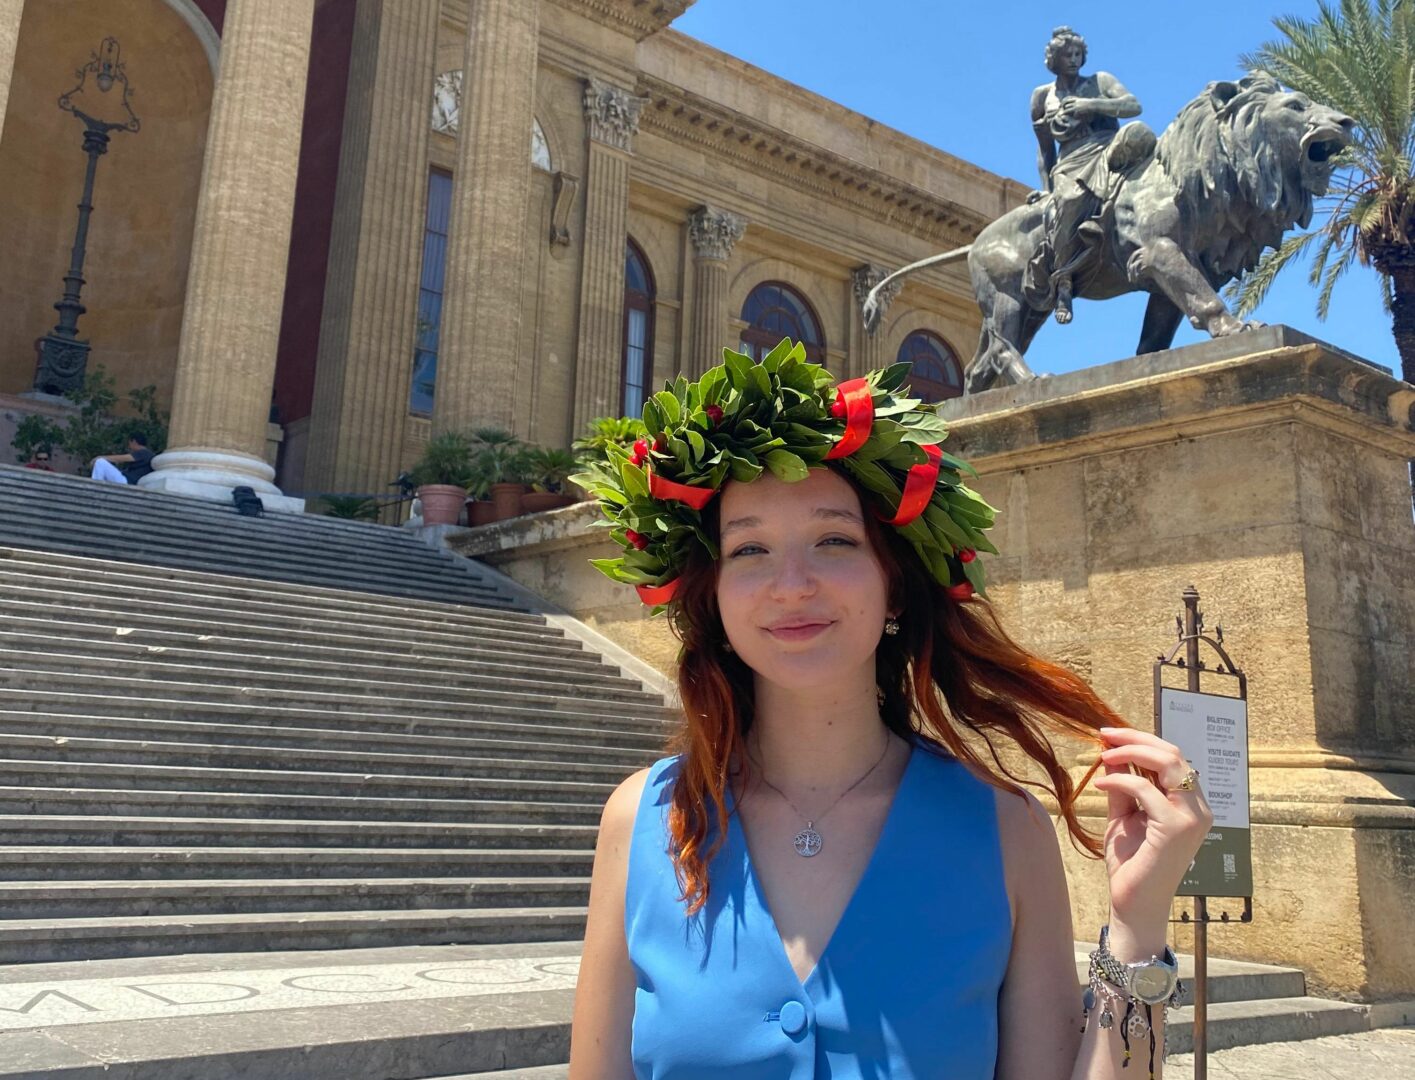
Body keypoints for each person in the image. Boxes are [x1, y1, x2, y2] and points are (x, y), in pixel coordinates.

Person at [568, 343, 1211, 1079]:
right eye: (748, 551)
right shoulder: (642, 819)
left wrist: (1136, 926)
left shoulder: (1007, 829)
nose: (791, 584)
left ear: (894, 586)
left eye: (834, 540)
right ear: (713, 597)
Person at [1024, 26, 1142, 324]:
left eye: (1078, 54)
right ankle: (1063, 281)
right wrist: (1047, 189)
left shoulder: (1100, 81)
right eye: (1068, 55)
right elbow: (1045, 151)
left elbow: (1133, 106)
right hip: (1072, 162)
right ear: (1054, 59)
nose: (1074, 60)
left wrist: (1091, 104)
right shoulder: (1041, 97)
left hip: (1109, 148)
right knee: (1067, 201)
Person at [90, 433, 155, 485]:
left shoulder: (144, 453)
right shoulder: (147, 454)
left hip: (127, 481)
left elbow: (121, 458)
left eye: (129, 443)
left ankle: (95, 487)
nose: (129, 446)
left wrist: (101, 457)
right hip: (128, 481)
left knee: (100, 462)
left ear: (134, 441)